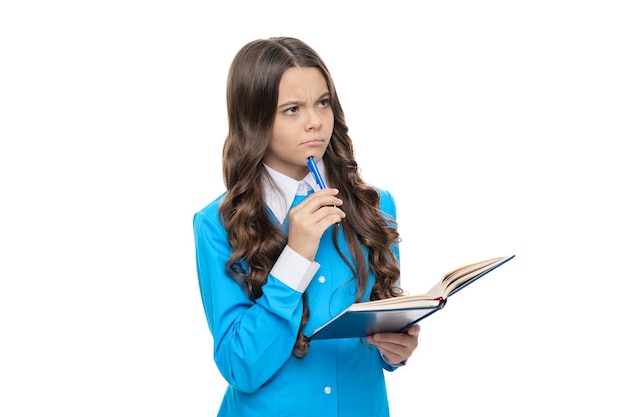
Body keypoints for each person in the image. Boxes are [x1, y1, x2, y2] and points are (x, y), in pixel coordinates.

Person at [193, 36, 420, 417]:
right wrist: (294, 257)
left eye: (323, 102)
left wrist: (397, 348)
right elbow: (240, 367)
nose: (315, 121)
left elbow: (384, 321)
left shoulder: (375, 206)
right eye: (292, 109)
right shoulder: (217, 224)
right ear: (255, 119)